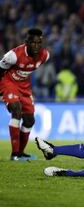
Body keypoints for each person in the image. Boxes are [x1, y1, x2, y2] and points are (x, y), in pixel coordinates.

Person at [0, 28, 50, 161]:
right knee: (16, 110)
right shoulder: (13, 55)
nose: (36, 46)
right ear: (26, 42)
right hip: (8, 83)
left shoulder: (45, 55)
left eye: (39, 43)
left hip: (24, 87)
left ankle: (21, 153)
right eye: (33, 43)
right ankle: (14, 154)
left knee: (29, 120)